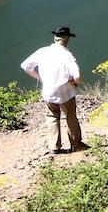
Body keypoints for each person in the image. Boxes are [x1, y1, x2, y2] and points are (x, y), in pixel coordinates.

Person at [21, 26, 87, 155]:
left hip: (49, 92)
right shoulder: (67, 55)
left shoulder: (42, 52)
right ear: (66, 39)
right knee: (70, 117)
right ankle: (76, 144)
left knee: (52, 116)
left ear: (55, 38)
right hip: (66, 92)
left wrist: (41, 78)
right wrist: (74, 82)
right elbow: (77, 76)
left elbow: (26, 66)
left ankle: (54, 147)